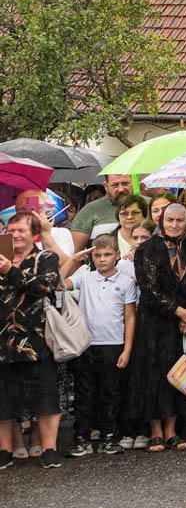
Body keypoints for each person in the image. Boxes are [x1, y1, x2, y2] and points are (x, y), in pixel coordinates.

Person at [129, 202, 186, 452]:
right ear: (161, 221)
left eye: (180, 220)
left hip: (184, 324)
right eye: (170, 220)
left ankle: (172, 430)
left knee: (179, 371)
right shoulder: (147, 249)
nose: (174, 225)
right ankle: (155, 431)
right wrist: (179, 311)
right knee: (154, 374)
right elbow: (150, 289)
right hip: (155, 321)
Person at [0, 211, 66, 468]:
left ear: (34, 234)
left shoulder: (45, 258)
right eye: (11, 230)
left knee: (45, 396)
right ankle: (5, 450)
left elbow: (43, 287)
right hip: (3, 341)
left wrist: (11, 271)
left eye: (21, 230)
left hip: (36, 340)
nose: (15, 235)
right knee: (4, 399)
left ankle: (49, 448)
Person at [70, 226, 139, 457]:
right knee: (84, 393)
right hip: (86, 344)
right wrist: (74, 260)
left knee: (111, 392)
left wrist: (127, 349)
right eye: (97, 255)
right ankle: (81, 438)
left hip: (114, 344)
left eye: (107, 254)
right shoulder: (84, 277)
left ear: (117, 255)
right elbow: (59, 283)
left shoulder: (126, 282)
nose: (101, 259)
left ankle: (110, 436)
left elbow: (130, 317)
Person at [69, 172, 136, 240]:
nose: (121, 189)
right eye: (115, 185)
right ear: (106, 186)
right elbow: (76, 246)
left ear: (133, 183)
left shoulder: (143, 205)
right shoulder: (89, 211)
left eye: (125, 184)